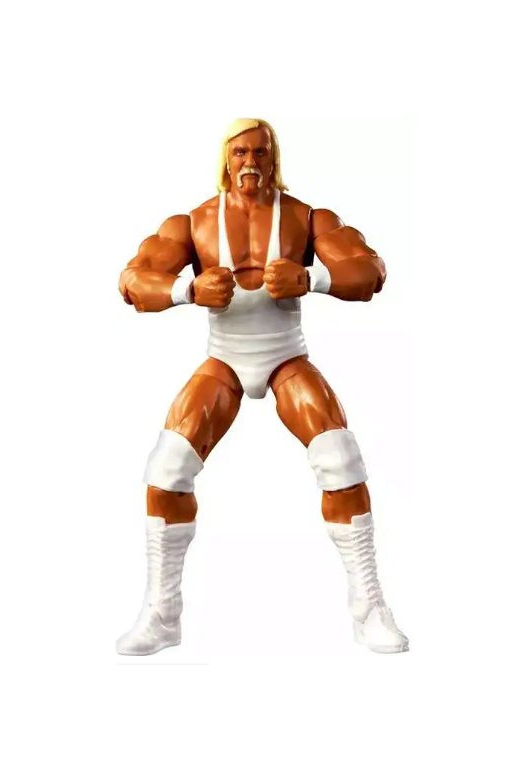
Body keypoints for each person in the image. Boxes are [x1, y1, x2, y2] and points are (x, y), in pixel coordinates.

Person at [115, 118, 408, 655]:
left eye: (260, 152)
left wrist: (313, 279)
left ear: (274, 159)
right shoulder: (194, 223)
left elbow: (371, 271)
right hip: (225, 358)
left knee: (340, 457)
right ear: (225, 161)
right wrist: (186, 290)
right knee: (166, 469)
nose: (250, 162)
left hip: (285, 355)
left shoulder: (305, 217)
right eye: (240, 153)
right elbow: (132, 282)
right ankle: (161, 614)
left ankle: (370, 607)